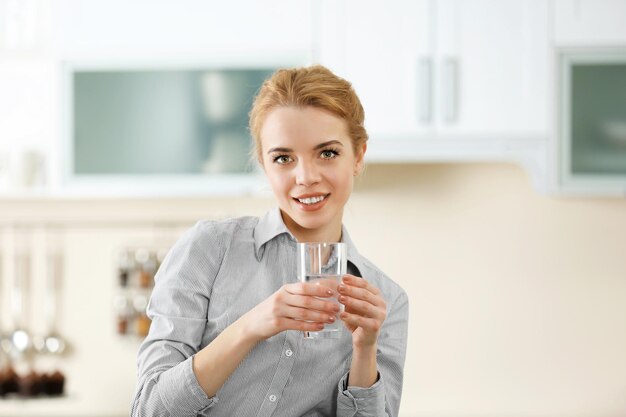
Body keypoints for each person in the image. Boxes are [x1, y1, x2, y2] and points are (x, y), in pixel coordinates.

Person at [131, 65, 409, 416]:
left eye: (327, 153)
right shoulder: (209, 249)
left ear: (358, 156)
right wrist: (250, 326)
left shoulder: (386, 302)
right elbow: (149, 410)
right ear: (264, 164)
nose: (306, 177)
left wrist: (365, 349)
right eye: (283, 158)